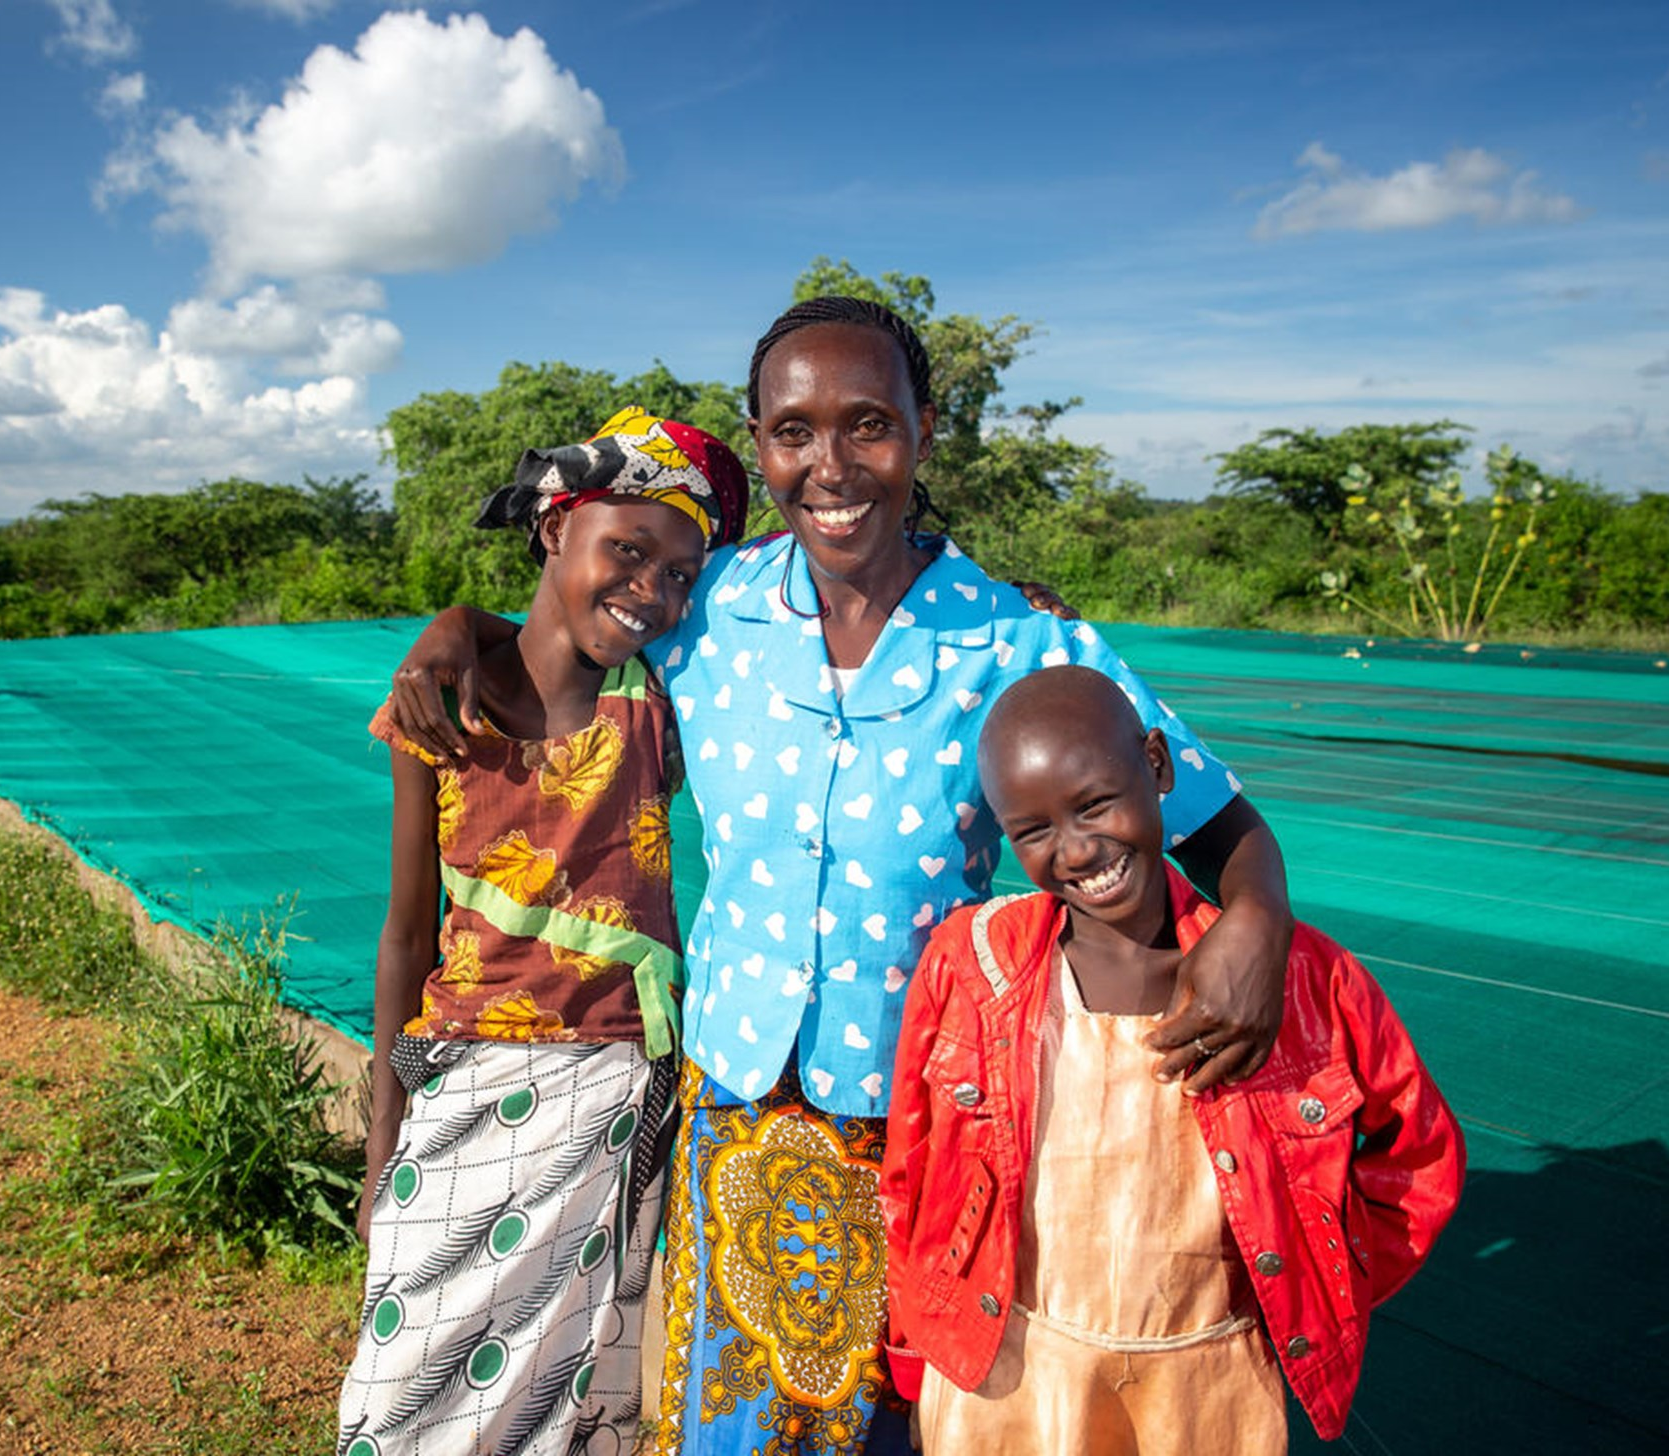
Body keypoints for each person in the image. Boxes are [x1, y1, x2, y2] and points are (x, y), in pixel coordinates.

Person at [385, 296, 1296, 1455]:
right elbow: (559, 620)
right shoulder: (705, 606)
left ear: (922, 428)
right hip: (731, 1104)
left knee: (922, 1413)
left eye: (866, 424)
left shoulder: (1016, 637)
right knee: (727, 1415)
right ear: (760, 443)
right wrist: (452, 628)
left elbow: (1219, 821)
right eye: (792, 431)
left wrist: (1255, 922)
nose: (831, 464)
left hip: (938, 1114)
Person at [881, 666, 1466, 1451]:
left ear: (1156, 766)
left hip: (1210, 1385)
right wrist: (922, 1348)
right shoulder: (970, 963)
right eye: (1034, 831)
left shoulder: (1305, 981)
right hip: (1008, 1374)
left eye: (1095, 804)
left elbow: (1420, 1158)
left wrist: (1317, 1278)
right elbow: (914, 1173)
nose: (1078, 848)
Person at [336, 406, 748, 1456]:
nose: (652, 590)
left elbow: (825, 569)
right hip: (460, 1090)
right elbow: (402, 938)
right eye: (627, 549)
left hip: (612, 1095)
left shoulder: (658, 706)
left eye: (680, 573)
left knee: (576, 1402)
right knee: (401, 1390)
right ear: (552, 526)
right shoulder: (435, 711)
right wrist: (381, 1147)